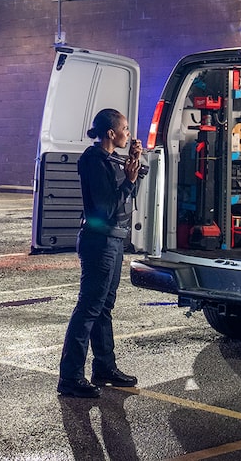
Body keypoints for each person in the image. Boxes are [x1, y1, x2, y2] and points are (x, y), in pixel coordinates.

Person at [57, 108, 143, 398]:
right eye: (125, 129)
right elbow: (106, 208)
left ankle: (105, 368)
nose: (128, 134)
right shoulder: (94, 161)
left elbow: (123, 198)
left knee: (104, 306)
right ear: (111, 133)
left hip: (114, 240)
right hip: (100, 242)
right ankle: (70, 377)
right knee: (89, 307)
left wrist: (133, 165)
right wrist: (129, 180)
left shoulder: (110, 160)